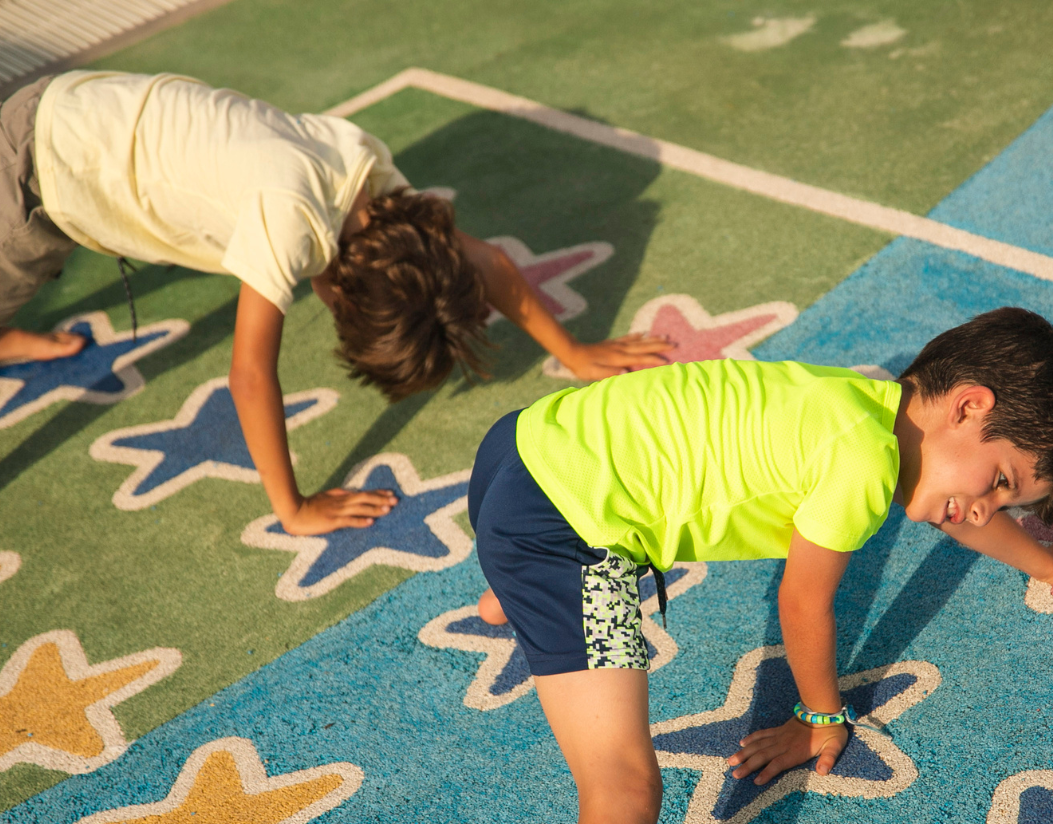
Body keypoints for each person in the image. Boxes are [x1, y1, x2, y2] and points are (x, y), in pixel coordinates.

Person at [467, 307, 1053, 824]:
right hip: (562, 526)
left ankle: (510, 589)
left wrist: (1050, 564)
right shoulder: (862, 465)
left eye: (1007, 502)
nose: (988, 507)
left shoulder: (864, 412)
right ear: (968, 405)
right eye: (1000, 482)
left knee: (541, 572)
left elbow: (952, 506)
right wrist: (819, 718)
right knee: (621, 787)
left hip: (524, 443)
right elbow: (803, 605)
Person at [0, 70, 667, 535]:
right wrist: (293, 508)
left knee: (22, 278)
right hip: (37, 167)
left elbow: (483, 258)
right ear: (340, 286)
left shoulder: (370, 182)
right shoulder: (289, 217)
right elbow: (250, 375)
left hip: (91, 115)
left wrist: (575, 353)